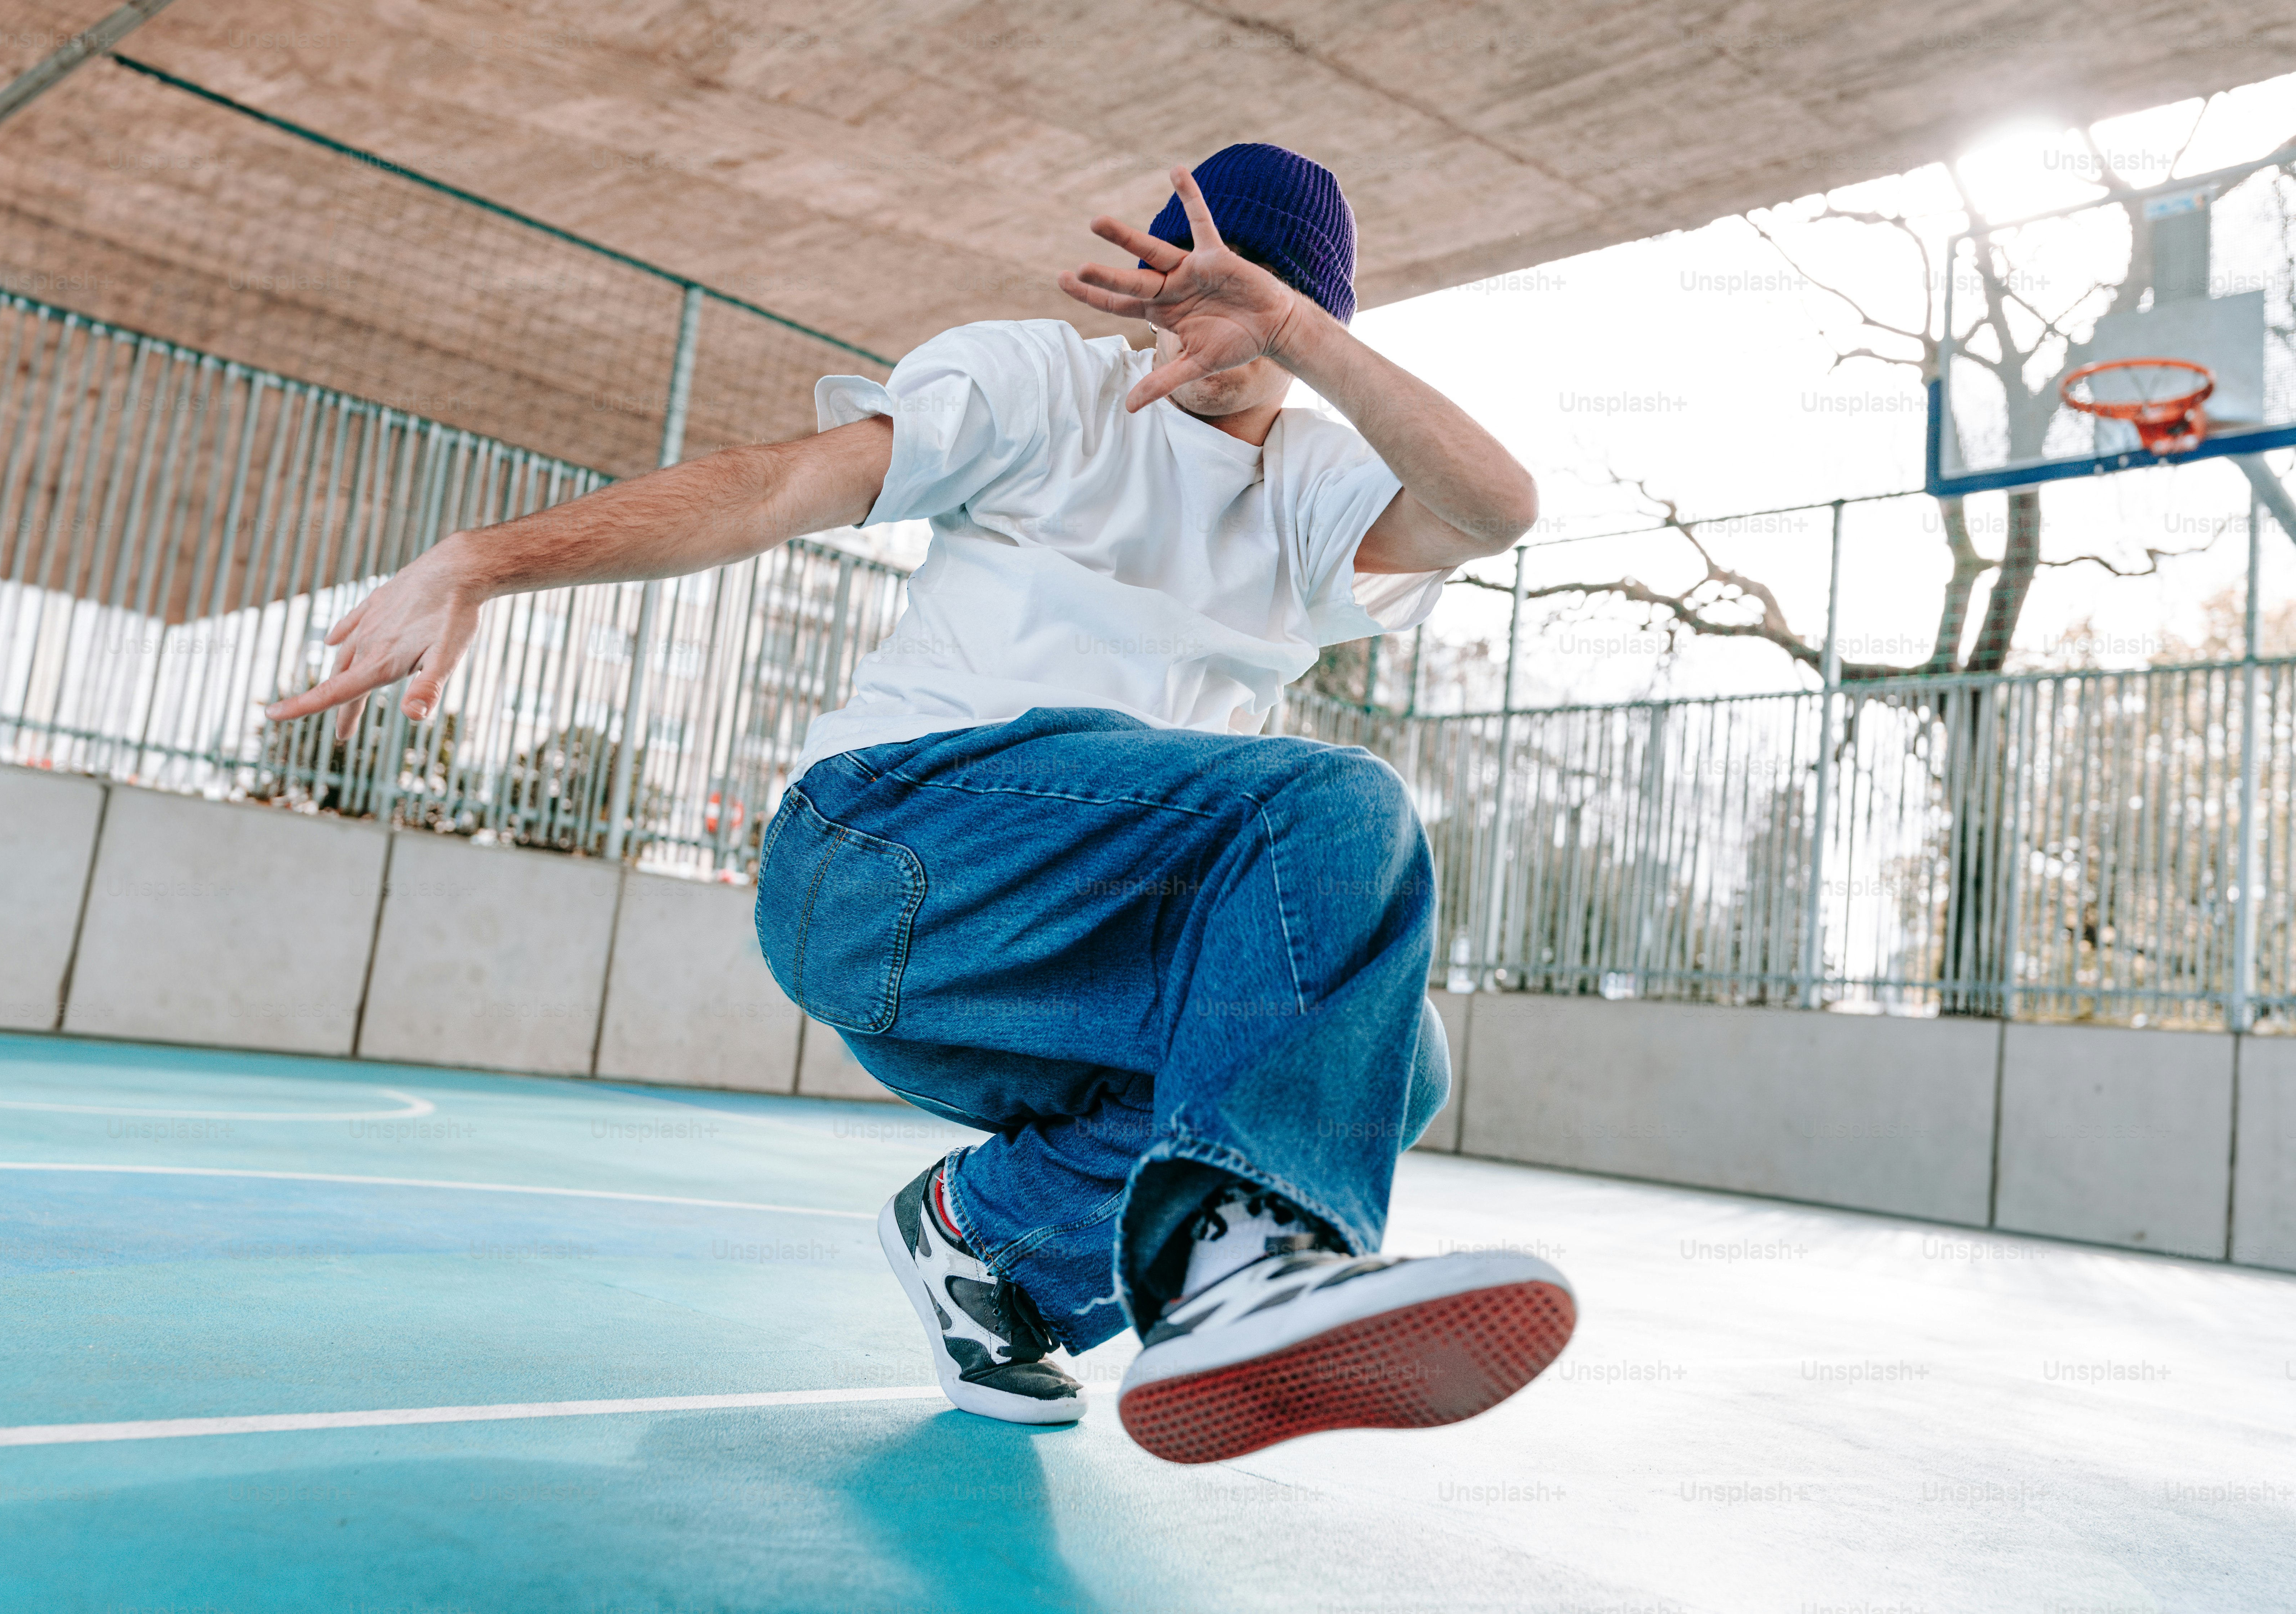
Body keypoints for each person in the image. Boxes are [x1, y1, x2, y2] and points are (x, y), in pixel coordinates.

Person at [267, 143, 1576, 1465]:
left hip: (1047, 979)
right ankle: (1239, 1270)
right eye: (1194, 272)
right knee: (1330, 805)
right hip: (891, 853)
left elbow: (1496, 504)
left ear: (1318, 317)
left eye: (1264, 288)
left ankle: (991, 1238)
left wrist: (1289, 322)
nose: (1220, 305)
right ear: (1149, 274)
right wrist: (491, 560)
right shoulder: (1045, 387)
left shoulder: (1316, 489)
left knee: (1395, 1065)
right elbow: (785, 483)